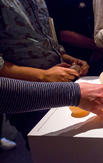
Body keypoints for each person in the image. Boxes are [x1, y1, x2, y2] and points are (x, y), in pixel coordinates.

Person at [0, 0, 89, 147]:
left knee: (75, 146)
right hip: (27, 95)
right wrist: (44, 75)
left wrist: (65, 56)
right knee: (47, 150)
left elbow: (45, 36)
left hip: (58, 86)